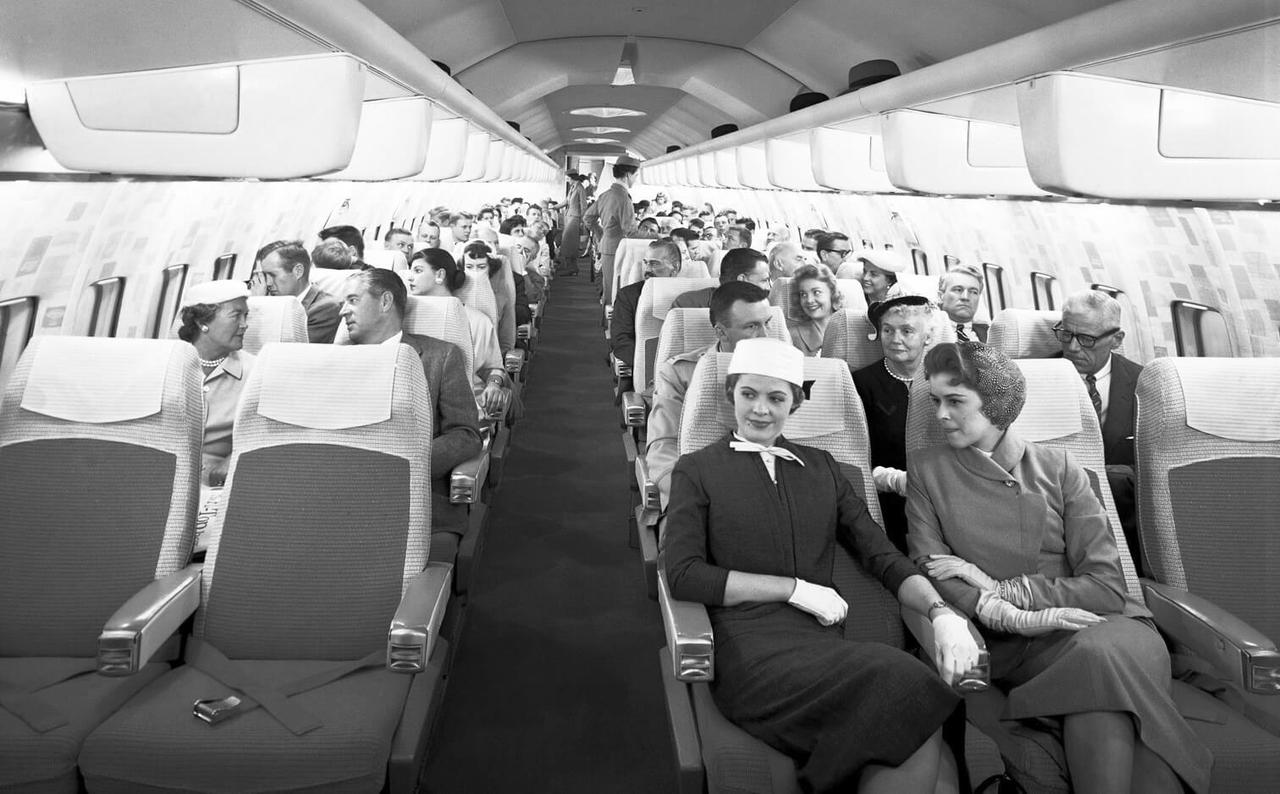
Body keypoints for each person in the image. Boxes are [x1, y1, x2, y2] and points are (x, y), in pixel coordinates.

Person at [662, 338, 978, 794]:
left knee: (914, 705)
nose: (760, 410)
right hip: (749, 652)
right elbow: (684, 574)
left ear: (795, 403)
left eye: (776, 398)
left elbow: (882, 556)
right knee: (911, 689)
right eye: (748, 394)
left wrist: (940, 612)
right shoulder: (697, 469)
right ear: (730, 394)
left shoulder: (823, 468)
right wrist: (791, 588)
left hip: (823, 643)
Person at [907, 342, 1211, 794]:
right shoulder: (928, 470)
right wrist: (1002, 614)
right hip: (1013, 647)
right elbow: (930, 566)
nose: (940, 415)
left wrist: (1009, 591)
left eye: (955, 401)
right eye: (935, 401)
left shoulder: (1060, 468)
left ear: (995, 404)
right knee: (1106, 694)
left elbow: (1106, 587)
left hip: (1104, 625)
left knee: (1099, 657)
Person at [339, 268, 482, 535]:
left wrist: (405, 464)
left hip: (413, 496)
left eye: (353, 300)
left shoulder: (440, 357)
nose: (342, 312)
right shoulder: (334, 361)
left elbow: (465, 434)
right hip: (342, 493)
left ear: (385, 302)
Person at [646, 281, 772, 508]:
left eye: (768, 323)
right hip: (703, 496)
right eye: (752, 326)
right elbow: (663, 448)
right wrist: (695, 497)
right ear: (721, 332)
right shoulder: (680, 373)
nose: (765, 335)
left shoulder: (790, 372)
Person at [1054, 290, 1144, 569]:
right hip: (1057, 520)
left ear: (1117, 339)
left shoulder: (1144, 383)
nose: (1072, 347)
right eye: (1065, 334)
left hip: (1128, 524)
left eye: (1086, 339)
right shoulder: (1037, 377)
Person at [852, 294, 934, 553]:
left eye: (907, 331)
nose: (895, 338)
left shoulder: (945, 380)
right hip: (885, 502)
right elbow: (854, 456)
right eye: (887, 330)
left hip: (941, 497)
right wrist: (893, 481)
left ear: (928, 337)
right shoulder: (860, 384)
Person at [408, 249, 512, 418]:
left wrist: (493, 385)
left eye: (418, 271)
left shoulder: (477, 320)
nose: (410, 277)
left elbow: (492, 368)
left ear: (440, 275)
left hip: (463, 404)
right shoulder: (402, 316)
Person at [178, 280, 254, 488]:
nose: (244, 324)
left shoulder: (255, 374)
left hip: (218, 484)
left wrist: (233, 459)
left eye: (246, 316)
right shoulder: (169, 367)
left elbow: (262, 435)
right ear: (202, 322)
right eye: (236, 315)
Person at [609, 239, 682, 393]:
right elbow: (621, 340)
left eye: (654, 264)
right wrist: (653, 368)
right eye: (646, 263)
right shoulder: (628, 295)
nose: (647, 269)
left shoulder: (691, 296)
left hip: (682, 375)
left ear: (675, 267)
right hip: (645, 376)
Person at [252, 240, 340, 344]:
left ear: (298, 271)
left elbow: (283, 349)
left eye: (272, 275)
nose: (268, 283)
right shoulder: (277, 303)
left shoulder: (326, 308)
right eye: (265, 276)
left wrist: (259, 306)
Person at [584, 155, 641, 303]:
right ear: (628, 175)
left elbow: (588, 218)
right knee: (616, 288)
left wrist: (601, 235)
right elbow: (631, 232)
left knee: (609, 285)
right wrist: (658, 237)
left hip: (608, 246)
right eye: (636, 175)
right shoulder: (623, 198)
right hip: (618, 249)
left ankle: (608, 316)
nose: (636, 179)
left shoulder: (605, 195)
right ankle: (612, 316)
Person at [461, 240, 517, 354]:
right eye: (469, 267)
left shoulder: (501, 297)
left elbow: (507, 335)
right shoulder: (455, 294)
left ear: (489, 268)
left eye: (481, 267)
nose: (475, 272)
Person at [671, 247, 771, 309]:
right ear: (742, 280)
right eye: (764, 280)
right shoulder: (688, 304)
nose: (768, 287)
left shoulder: (768, 305)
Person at [788, 264, 843, 356]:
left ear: (832, 294)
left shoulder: (849, 331)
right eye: (803, 294)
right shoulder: (791, 337)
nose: (809, 300)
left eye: (816, 292)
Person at [937, 264, 987, 342]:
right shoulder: (926, 332)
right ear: (940, 296)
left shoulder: (991, 333)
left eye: (973, 292)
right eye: (958, 290)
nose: (965, 297)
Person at [555, 172, 587, 276]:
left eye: (567, 178)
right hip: (569, 217)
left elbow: (584, 205)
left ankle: (572, 268)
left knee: (570, 243)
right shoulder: (573, 187)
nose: (567, 180)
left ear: (572, 178)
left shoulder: (580, 188)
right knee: (567, 243)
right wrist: (554, 207)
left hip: (575, 218)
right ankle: (571, 266)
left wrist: (582, 220)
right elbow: (566, 201)